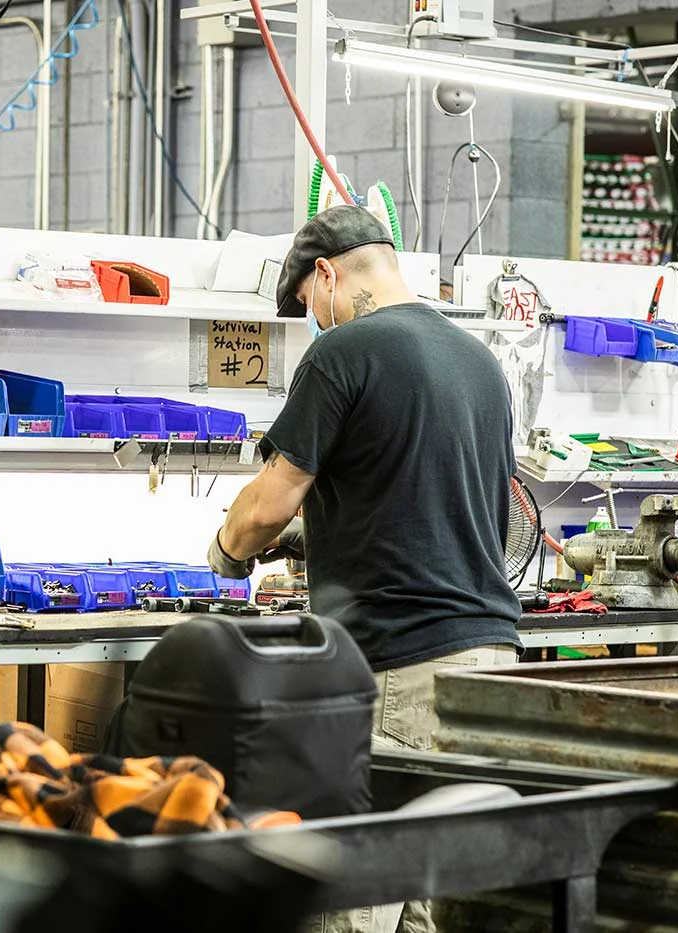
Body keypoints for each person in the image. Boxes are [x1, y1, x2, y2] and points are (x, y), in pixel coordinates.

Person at [207, 206, 521, 933]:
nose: (314, 320)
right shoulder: (479, 361)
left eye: (309, 306)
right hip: (492, 667)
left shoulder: (344, 351)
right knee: (433, 907)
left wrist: (226, 550)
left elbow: (266, 506)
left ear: (326, 275)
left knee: (349, 905)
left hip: (397, 667)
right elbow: (438, 504)